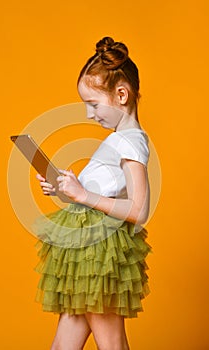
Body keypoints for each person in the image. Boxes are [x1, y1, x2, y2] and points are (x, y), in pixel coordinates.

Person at [33, 36, 152, 350]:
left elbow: (139, 210)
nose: (89, 114)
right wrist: (67, 191)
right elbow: (101, 196)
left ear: (122, 94)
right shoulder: (118, 139)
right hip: (86, 254)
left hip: (100, 256)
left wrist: (82, 195)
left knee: (111, 344)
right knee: (63, 346)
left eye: (94, 104)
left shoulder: (130, 140)